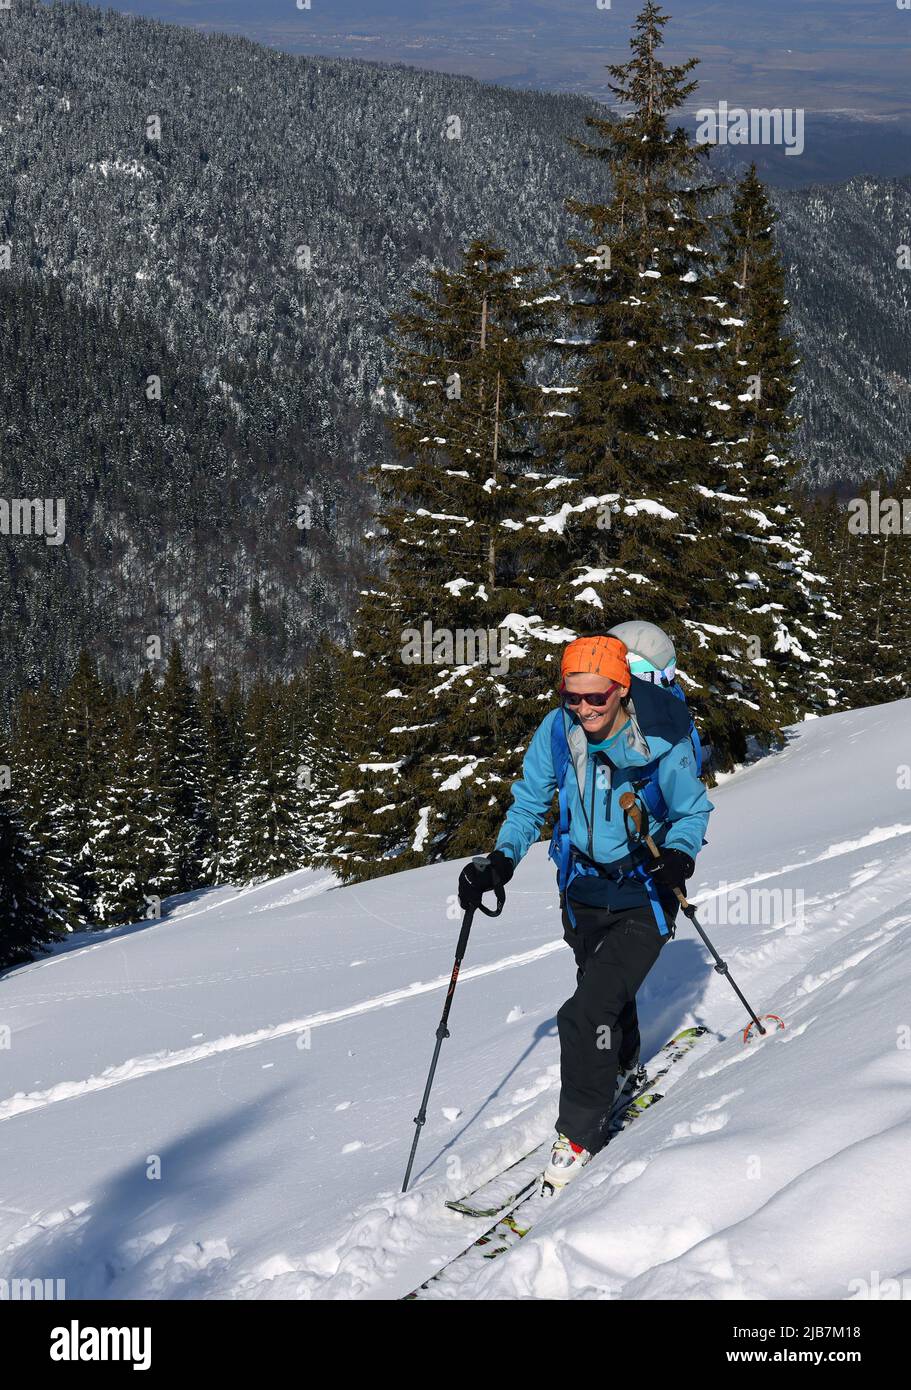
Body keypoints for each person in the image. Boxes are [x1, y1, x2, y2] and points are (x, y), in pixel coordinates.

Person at [457, 630, 713, 1193]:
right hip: (581, 890)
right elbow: (530, 801)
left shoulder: (660, 741)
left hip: (644, 893)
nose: (583, 708)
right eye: (572, 696)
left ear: (622, 690)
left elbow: (693, 810)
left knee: (585, 1013)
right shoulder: (558, 731)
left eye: (596, 697)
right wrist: (499, 862)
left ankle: (578, 1134)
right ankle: (621, 1065)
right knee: (603, 994)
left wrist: (677, 856)